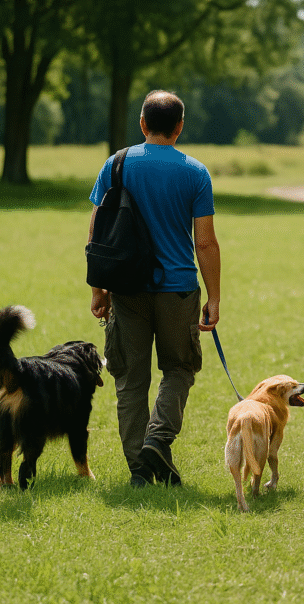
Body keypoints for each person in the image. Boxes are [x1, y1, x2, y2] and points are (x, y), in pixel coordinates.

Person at [88, 90, 221, 487]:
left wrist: (99, 289)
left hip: (126, 288)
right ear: (180, 127)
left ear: (143, 124)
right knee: (179, 368)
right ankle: (157, 441)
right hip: (178, 289)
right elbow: (205, 242)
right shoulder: (196, 172)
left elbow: (98, 231)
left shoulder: (117, 164)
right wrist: (213, 297)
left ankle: (139, 469)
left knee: (130, 378)